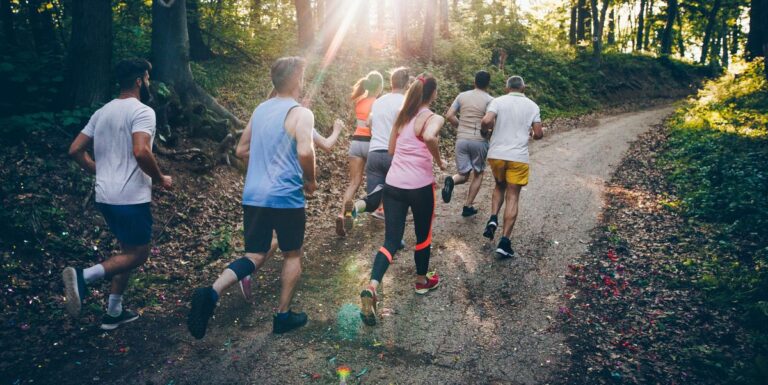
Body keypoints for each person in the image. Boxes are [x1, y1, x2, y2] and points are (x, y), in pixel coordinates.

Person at [187, 56, 317, 338]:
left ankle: (211, 292)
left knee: (255, 254)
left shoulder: (260, 110)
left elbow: (241, 150)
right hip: (285, 196)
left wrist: (266, 159)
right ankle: (282, 316)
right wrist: (311, 180)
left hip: (254, 194)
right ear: (297, 80)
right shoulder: (300, 113)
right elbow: (306, 152)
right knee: (292, 253)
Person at [62, 58, 173, 330]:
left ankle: (114, 312)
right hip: (129, 198)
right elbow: (141, 151)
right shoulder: (143, 111)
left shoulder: (103, 112)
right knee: (139, 254)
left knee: (127, 251)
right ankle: (83, 277)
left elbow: (75, 149)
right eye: (147, 78)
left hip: (105, 196)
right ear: (139, 81)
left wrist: (97, 169)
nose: (148, 83)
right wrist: (159, 178)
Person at [359, 73, 447, 327]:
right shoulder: (432, 117)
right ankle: (421, 281)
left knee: (390, 240)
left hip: (394, 185)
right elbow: (430, 137)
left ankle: (373, 287)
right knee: (423, 235)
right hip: (420, 187)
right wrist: (439, 162)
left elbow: (391, 151)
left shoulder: (402, 117)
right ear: (432, 94)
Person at [238, 118, 343, 300]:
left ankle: (247, 269)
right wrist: (337, 129)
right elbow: (326, 145)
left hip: (259, 188)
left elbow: (243, 150)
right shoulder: (301, 120)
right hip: (287, 188)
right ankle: (282, 305)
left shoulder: (267, 118)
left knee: (268, 240)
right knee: (288, 245)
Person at [480, 75, 543, 258]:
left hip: (497, 155)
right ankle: (504, 243)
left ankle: (493, 218)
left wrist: (485, 132)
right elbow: (538, 134)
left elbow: (486, 121)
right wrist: (533, 133)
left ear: (507, 88)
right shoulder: (532, 106)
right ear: (523, 88)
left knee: (499, 186)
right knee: (513, 195)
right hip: (518, 157)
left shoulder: (497, 101)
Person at [346, 67, 409, 222]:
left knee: (373, 200)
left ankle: (355, 207)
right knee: (398, 196)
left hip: (374, 154)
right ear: (407, 84)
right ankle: (394, 235)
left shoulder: (379, 102)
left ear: (391, 82)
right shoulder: (405, 102)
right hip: (392, 153)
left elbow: (370, 124)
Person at [336, 71, 384, 236]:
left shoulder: (359, 101)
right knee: (381, 179)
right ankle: (381, 209)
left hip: (356, 142)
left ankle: (342, 215)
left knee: (354, 182)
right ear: (379, 86)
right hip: (371, 143)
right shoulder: (378, 103)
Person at [441, 70, 493, 217]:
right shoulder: (490, 100)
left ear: (474, 81)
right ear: (488, 84)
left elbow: (449, 115)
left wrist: (460, 127)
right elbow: (490, 121)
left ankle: (451, 180)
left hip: (462, 139)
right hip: (478, 141)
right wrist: (487, 132)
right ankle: (467, 206)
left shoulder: (462, 96)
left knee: (463, 174)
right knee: (478, 173)